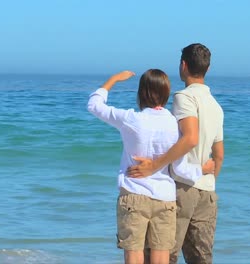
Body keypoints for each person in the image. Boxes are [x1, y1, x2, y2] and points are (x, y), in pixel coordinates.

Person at [87, 69, 214, 264]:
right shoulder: (174, 124)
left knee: (133, 255)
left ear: (141, 93)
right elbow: (179, 168)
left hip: (134, 194)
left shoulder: (131, 119)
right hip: (165, 198)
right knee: (162, 257)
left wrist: (113, 80)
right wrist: (201, 170)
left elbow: (94, 105)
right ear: (166, 94)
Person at [127, 43, 224, 264]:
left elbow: (190, 138)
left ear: (183, 65)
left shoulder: (184, 97)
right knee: (201, 258)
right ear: (207, 70)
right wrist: (207, 181)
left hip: (182, 187)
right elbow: (218, 154)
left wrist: (154, 165)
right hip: (207, 190)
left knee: (164, 254)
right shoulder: (216, 106)